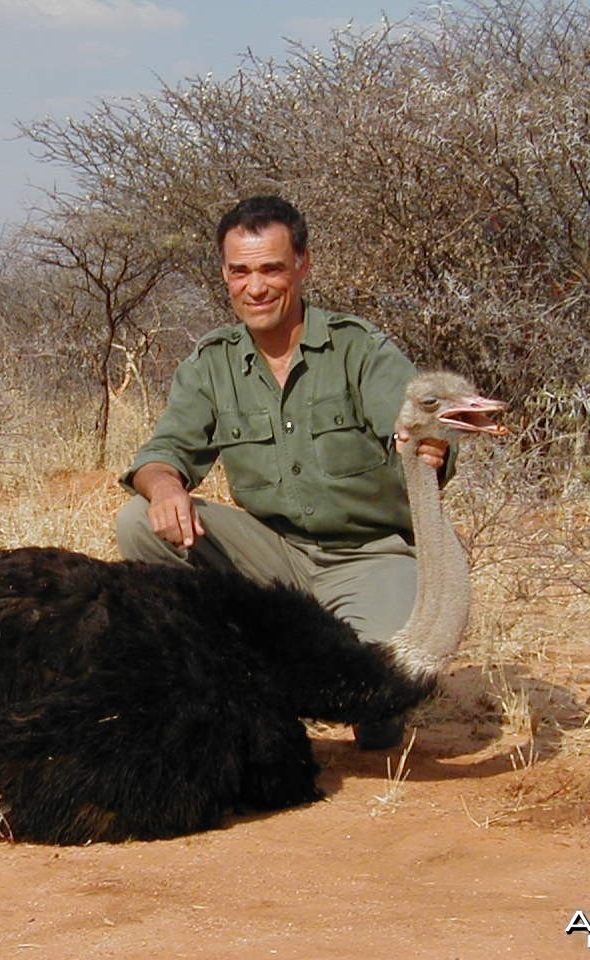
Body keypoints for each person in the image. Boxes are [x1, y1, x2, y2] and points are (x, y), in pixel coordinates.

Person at [116, 195, 451, 751]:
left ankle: (358, 687)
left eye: (271, 268)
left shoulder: (359, 349)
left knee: (378, 692)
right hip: (273, 555)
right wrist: (166, 484)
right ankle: (215, 675)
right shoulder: (210, 362)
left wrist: (431, 446)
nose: (256, 287)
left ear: (302, 265)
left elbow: (420, 425)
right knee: (137, 520)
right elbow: (163, 451)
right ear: (224, 274)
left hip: (367, 554)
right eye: (240, 271)